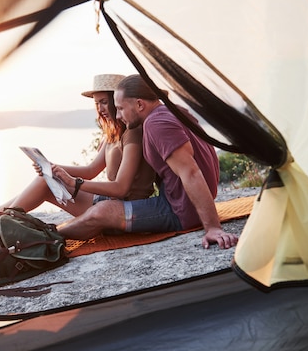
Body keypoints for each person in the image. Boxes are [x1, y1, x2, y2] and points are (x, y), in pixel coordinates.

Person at [57, 74, 239, 249]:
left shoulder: (156, 124)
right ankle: (52, 233)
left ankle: (52, 237)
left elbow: (190, 172)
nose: (118, 116)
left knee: (102, 211)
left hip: (181, 211)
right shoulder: (172, 110)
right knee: (104, 208)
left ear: (139, 104)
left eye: (120, 108)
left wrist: (213, 227)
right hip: (186, 203)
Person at [0, 74, 157, 219]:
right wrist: (53, 168)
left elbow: (121, 188)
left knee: (45, 183)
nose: (100, 109)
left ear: (117, 101)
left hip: (123, 208)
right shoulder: (112, 135)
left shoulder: (133, 134)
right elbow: (90, 170)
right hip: (108, 201)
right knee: (46, 179)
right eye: (97, 103)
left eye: (105, 102)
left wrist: (73, 182)